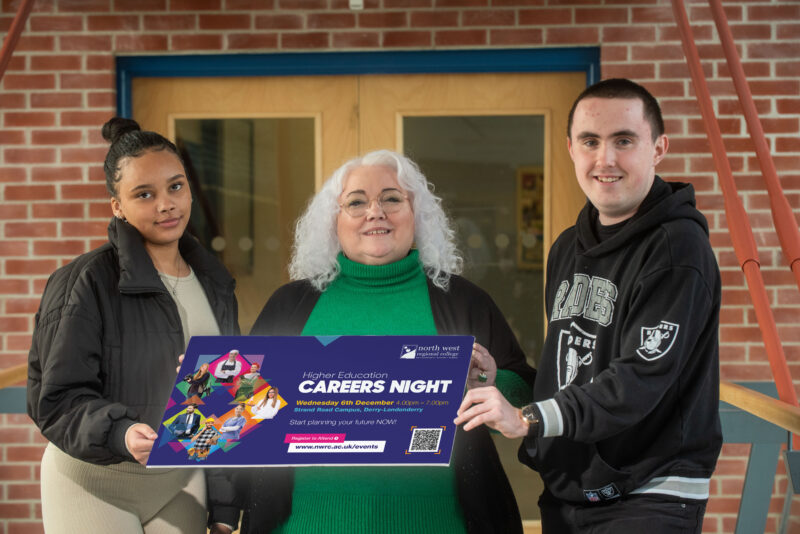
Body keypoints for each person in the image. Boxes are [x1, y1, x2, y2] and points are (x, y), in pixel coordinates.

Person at [207, 150, 535, 534]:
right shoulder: (291, 304)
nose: (375, 211)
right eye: (356, 201)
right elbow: (241, 413)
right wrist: (211, 386)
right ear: (334, 220)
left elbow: (523, 394)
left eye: (392, 198)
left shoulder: (461, 300)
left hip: (438, 523)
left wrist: (489, 385)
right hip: (305, 524)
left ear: (417, 214)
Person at [455, 78, 722, 533]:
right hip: (573, 490)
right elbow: (573, 370)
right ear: (571, 148)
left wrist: (528, 417)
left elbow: (639, 378)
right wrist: (502, 383)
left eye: (624, 140)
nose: (606, 159)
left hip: (649, 494)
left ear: (658, 148)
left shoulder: (678, 249)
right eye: (590, 141)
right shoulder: (566, 248)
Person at [27, 117, 240, 534]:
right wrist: (121, 433)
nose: (166, 204)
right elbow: (55, 399)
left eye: (175, 186)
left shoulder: (216, 283)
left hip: (180, 480)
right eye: (145, 194)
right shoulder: (84, 282)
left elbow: (225, 401)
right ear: (118, 206)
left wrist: (225, 507)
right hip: (93, 482)